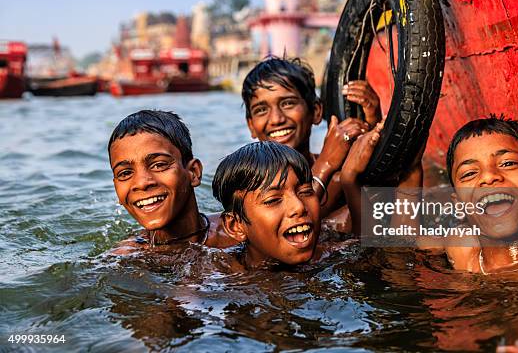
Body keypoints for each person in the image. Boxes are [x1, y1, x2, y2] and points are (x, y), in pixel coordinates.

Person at [341, 115, 518, 275]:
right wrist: (409, 178)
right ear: (458, 203)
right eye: (470, 173)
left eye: (507, 164)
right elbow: (394, 244)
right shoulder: (462, 250)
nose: (489, 176)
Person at [241, 56, 380, 218]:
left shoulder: (340, 173)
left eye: (287, 103)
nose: (276, 119)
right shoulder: (249, 188)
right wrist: (326, 163)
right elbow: (288, 220)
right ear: (251, 126)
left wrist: (373, 127)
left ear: (316, 112)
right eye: (261, 110)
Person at [108, 110, 235, 254]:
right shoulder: (124, 258)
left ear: (193, 172)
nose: (142, 183)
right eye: (125, 173)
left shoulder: (238, 231)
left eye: (159, 165)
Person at [212, 141, 353, 268]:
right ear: (235, 226)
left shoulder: (339, 255)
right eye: (273, 200)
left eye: (305, 192)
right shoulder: (212, 283)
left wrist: (351, 179)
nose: (299, 207)